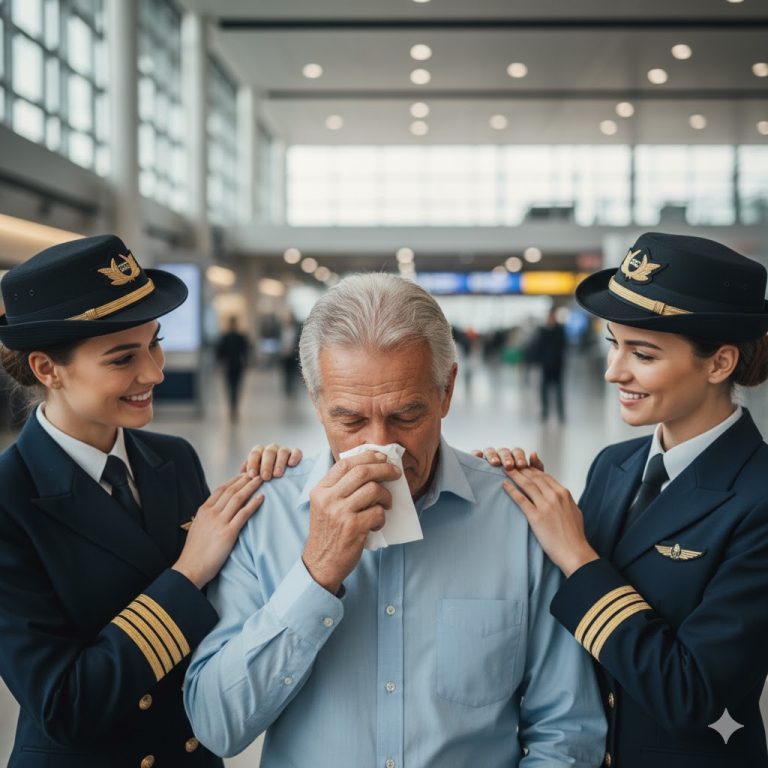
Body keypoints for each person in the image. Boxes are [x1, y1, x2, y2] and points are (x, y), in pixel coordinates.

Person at [184, 273, 606, 767]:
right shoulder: (261, 515)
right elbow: (217, 727)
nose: (381, 446)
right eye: (350, 420)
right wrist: (316, 573)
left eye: (407, 416)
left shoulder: (519, 518)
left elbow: (567, 730)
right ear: (316, 402)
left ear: (446, 392)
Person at [0, 235, 300, 768]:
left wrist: (280, 488)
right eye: (123, 358)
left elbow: (231, 612)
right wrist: (185, 576)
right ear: (48, 369)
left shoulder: (173, 458)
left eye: (155, 344)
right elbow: (65, 704)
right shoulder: (9, 498)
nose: (154, 373)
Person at [482, 232, 768, 768]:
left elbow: (693, 695)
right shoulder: (614, 464)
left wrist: (576, 554)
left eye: (643, 353)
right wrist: (510, 495)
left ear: (719, 363)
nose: (615, 371)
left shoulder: (758, 498)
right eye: (614, 344)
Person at [534, 307, 567, 422]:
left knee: (558, 390)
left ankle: (561, 414)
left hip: (557, 366)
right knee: (544, 390)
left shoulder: (560, 330)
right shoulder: (543, 330)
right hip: (546, 365)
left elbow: (563, 346)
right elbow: (539, 347)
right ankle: (545, 412)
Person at [215, 316, 249, 421]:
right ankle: (234, 407)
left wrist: (220, 363)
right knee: (236, 387)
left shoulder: (225, 337)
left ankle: (232, 407)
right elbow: (246, 351)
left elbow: (219, 353)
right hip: (237, 365)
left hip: (229, 365)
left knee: (230, 387)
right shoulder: (240, 336)